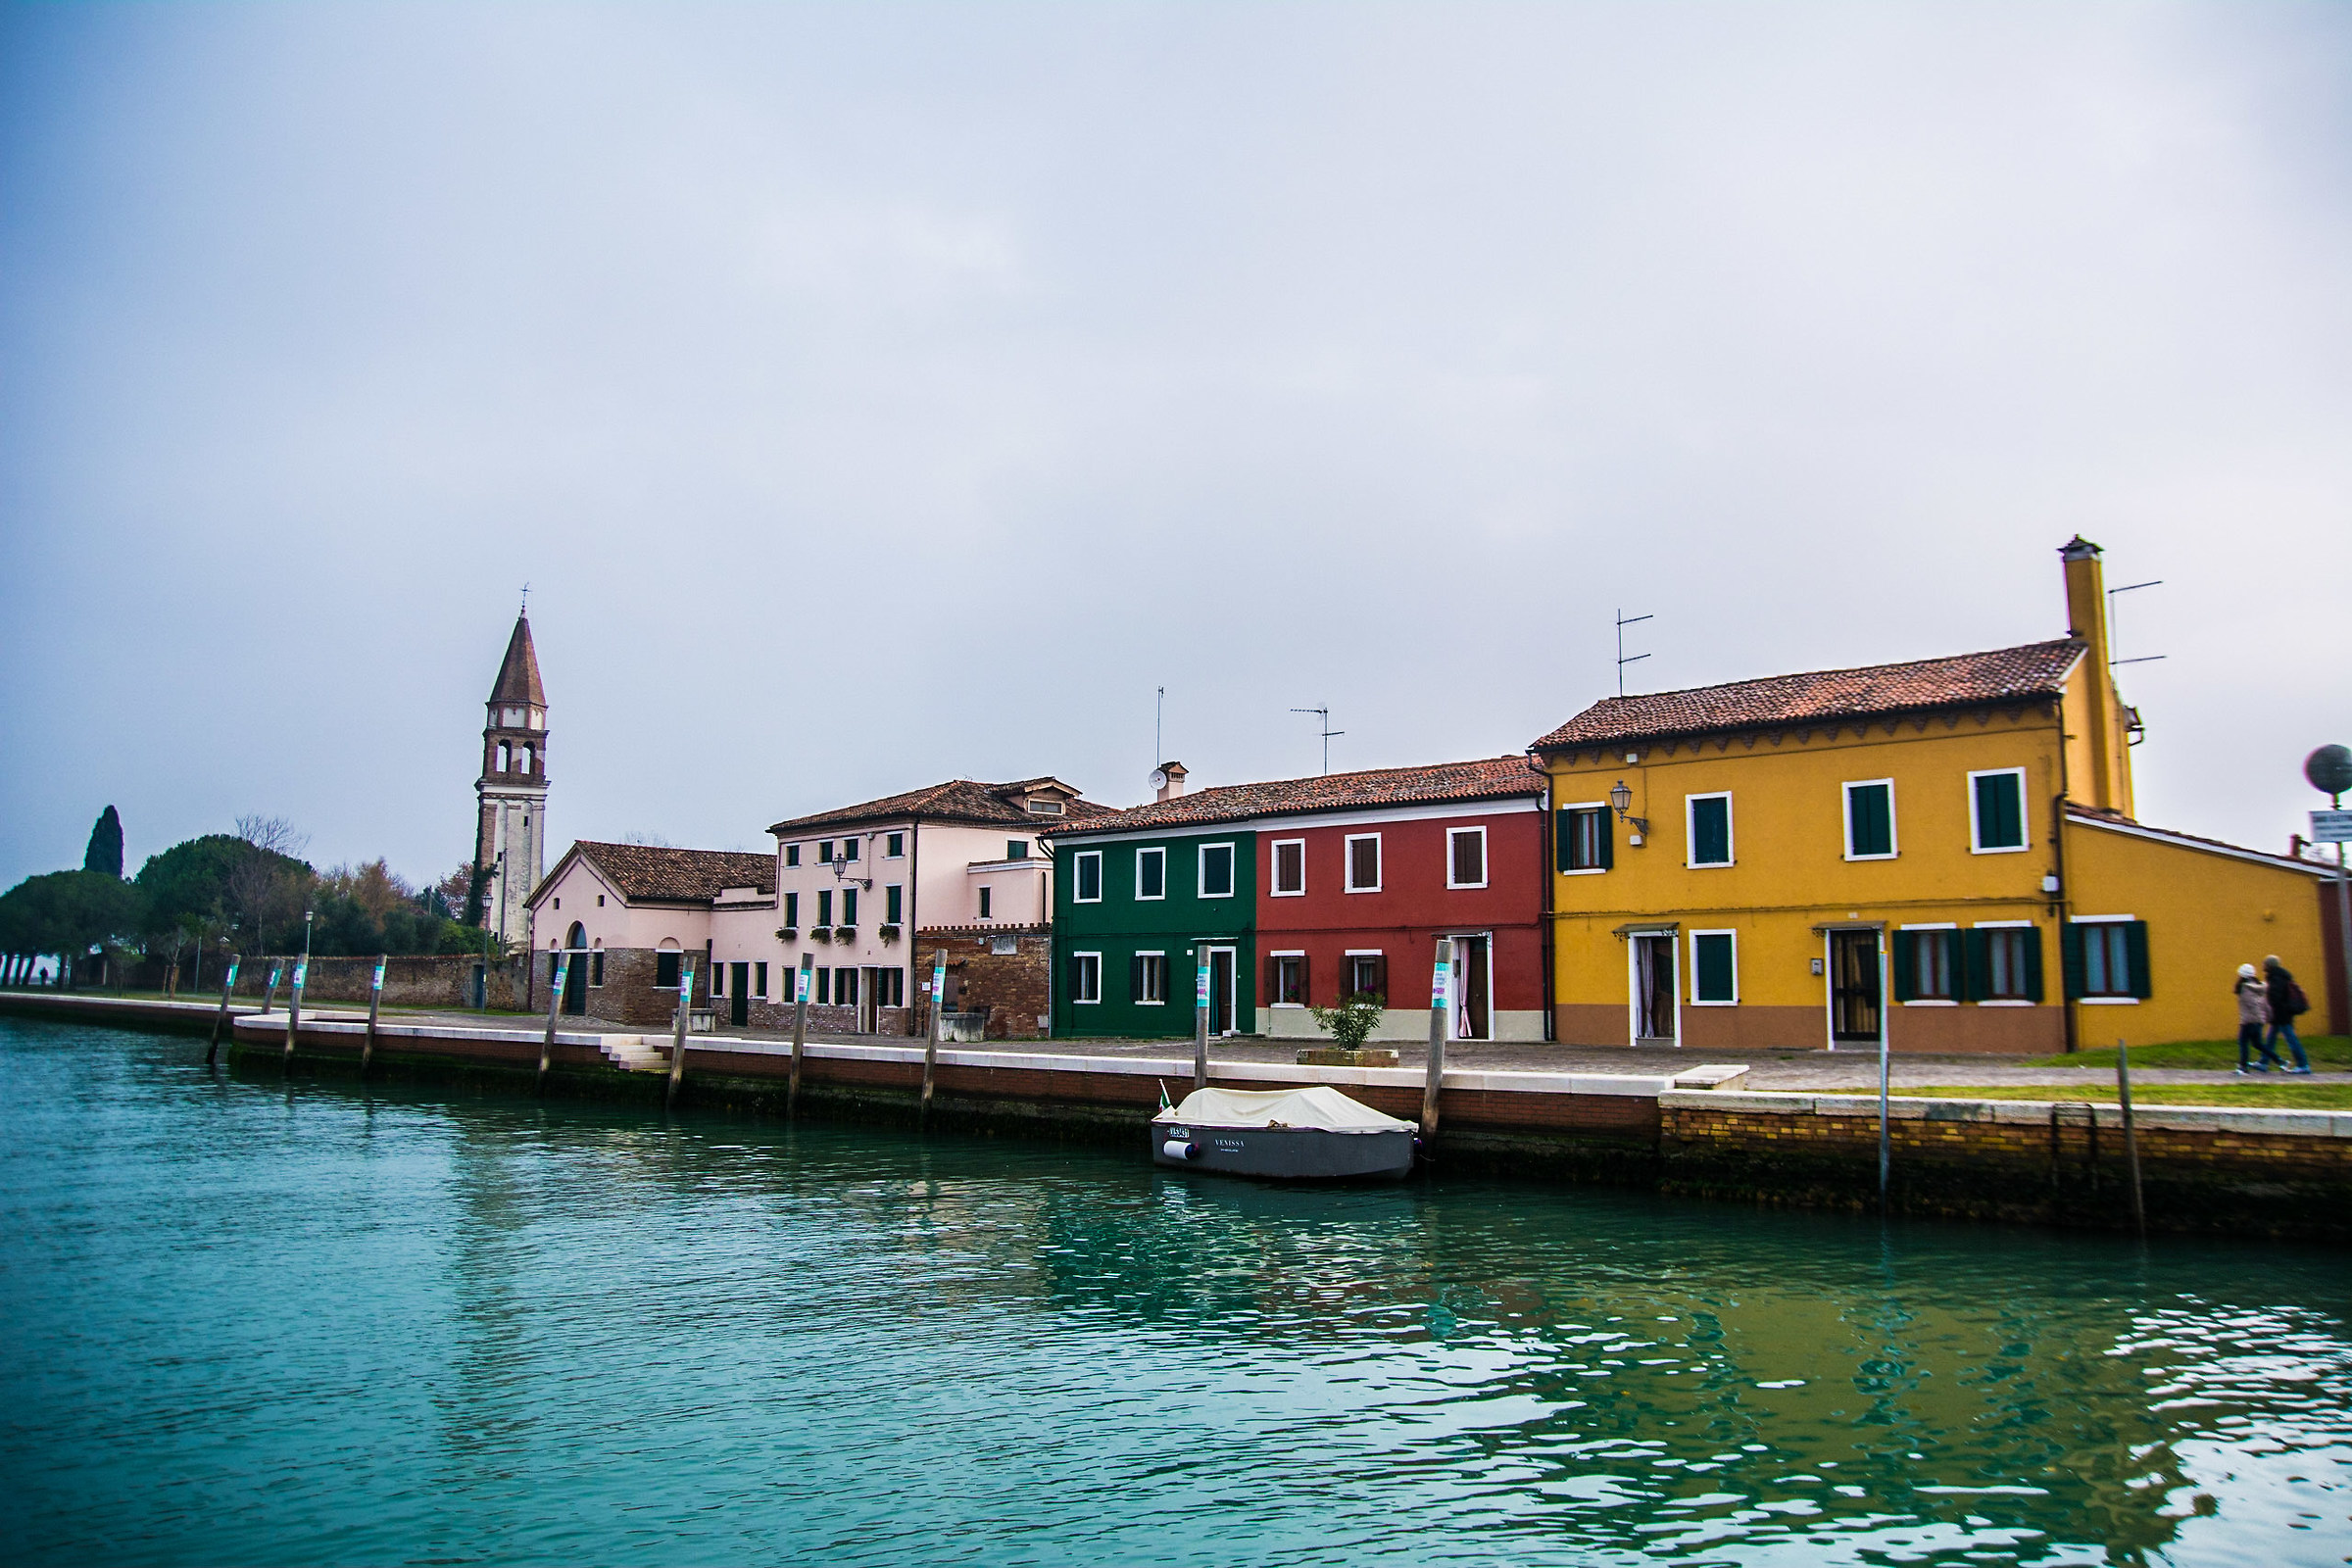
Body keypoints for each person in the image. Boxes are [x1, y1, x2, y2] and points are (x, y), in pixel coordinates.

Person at [2263, 955, 2313, 1074]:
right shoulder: (2280, 976)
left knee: (2291, 1039)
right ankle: (2263, 1062)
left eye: (2265, 964)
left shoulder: (2276, 978)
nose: (2263, 966)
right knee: (2271, 1037)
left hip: (2281, 1013)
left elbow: (2276, 996)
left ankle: (2303, 1064)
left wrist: (2272, 1006)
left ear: (2269, 965)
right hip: (2281, 1013)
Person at [2234, 963, 2277, 1074]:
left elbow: (2252, 1004)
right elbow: (2264, 1003)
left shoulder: (2246, 988)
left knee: (2243, 1042)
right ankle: (2279, 1060)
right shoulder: (2259, 987)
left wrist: (2253, 1016)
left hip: (2249, 1020)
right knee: (2257, 1044)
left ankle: (2243, 1067)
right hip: (2258, 1020)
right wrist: (2268, 1016)